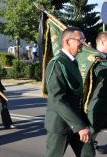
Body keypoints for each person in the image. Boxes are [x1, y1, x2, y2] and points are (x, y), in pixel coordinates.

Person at [44, 27, 95, 157]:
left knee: (88, 153)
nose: (83, 43)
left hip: (76, 121)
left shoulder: (72, 62)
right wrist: (79, 126)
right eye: (80, 40)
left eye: (83, 39)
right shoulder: (57, 64)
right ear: (67, 42)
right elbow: (57, 99)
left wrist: (82, 123)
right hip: (60, 125)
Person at [87, 32, 107, 154]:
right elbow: (100, 72)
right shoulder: (94, 58)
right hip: (96, 102)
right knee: (92, 130)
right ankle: (88, 149)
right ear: (102, 42)